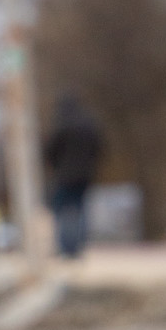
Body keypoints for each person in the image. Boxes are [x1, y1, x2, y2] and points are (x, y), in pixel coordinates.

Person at [43, 93, 105, 258]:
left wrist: (55, 166)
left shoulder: (62, 125)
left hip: (64, 175)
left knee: (60, 208)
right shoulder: (88, 124)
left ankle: (65, 248)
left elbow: (50, 150)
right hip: (85, 174)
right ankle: (79, 246)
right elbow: (99, 146)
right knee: (80, 208)